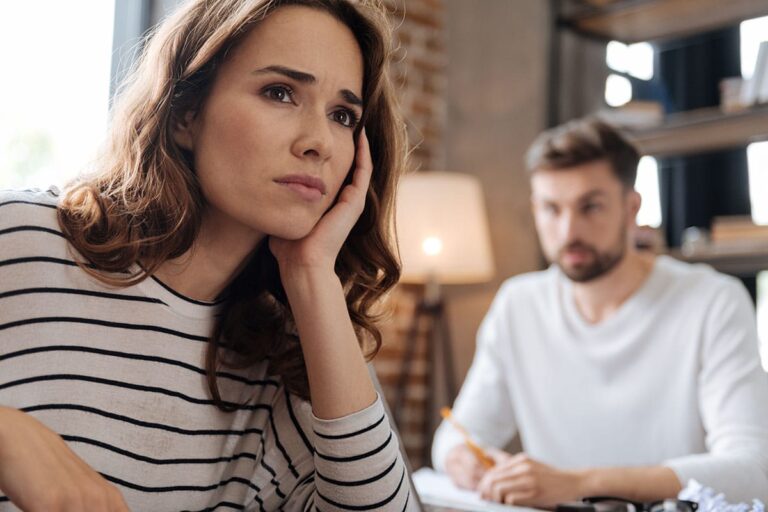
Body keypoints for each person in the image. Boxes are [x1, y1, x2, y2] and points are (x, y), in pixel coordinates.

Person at [0, 0, 413, 510]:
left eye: (343, 115)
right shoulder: (19, 237)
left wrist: (311, 276)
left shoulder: (304, 360)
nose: (319, 142)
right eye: (280, 93)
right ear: (186, 115)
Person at [431, 118, 768, 507]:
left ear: (632, 208)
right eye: (551, 208)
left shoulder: (712, 301)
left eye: (590, 206)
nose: (569, 229)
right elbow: (457, 435)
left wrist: (579, 484)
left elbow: (753, 471)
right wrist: (465, 461)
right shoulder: (518, 304)